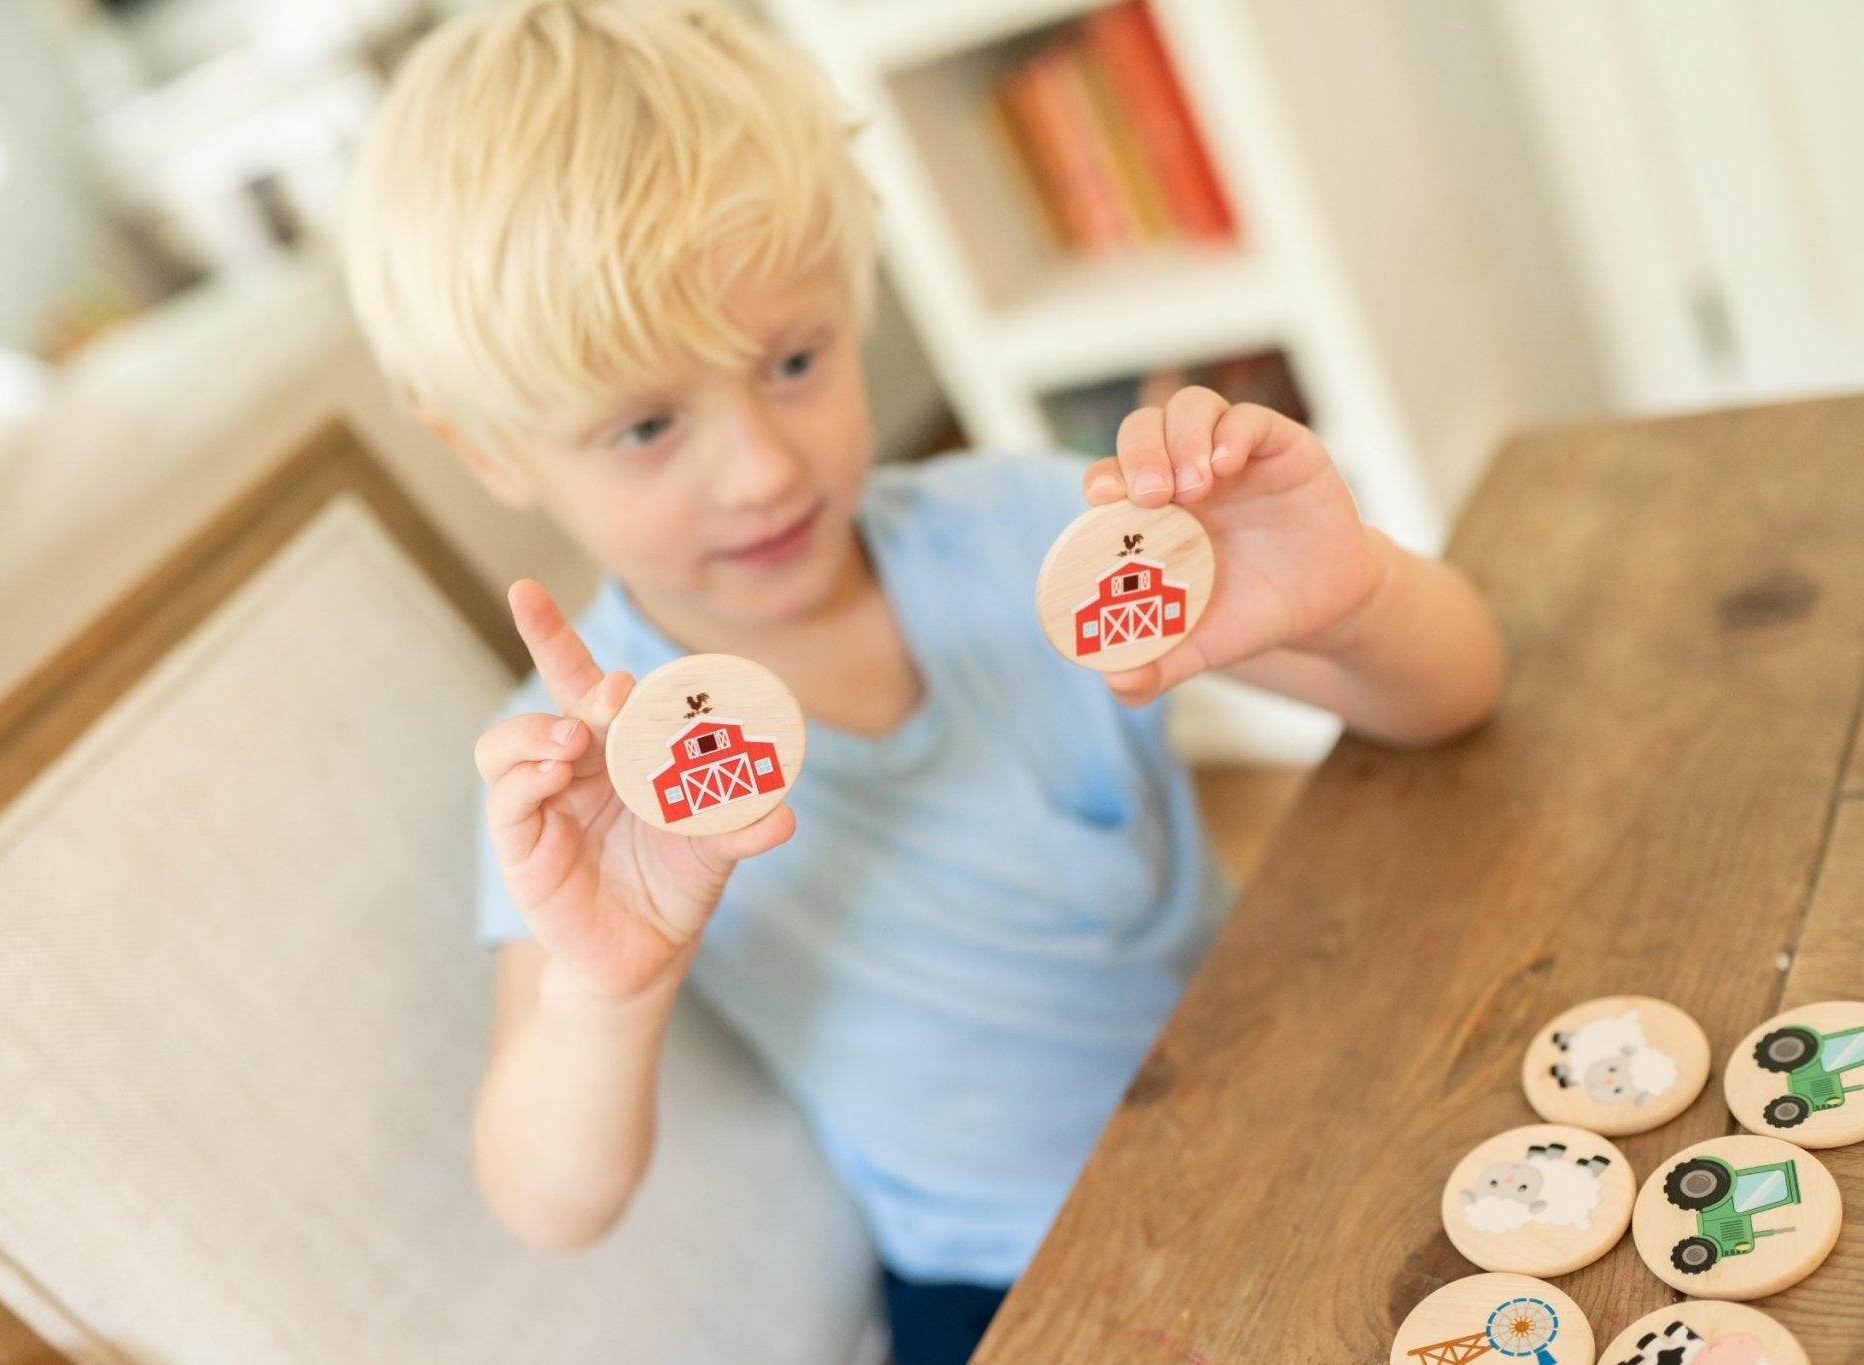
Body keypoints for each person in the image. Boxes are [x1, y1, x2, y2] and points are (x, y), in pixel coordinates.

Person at [342, 2, 1504, 1360]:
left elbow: (1455, 694)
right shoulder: (577, 779)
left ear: (853, 301)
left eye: (793, 361)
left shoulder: (1033, 530)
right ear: (489, 451)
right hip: (1008, 1283)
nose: (764, 468)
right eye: (649, 424)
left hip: (1298, 1106)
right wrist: (605, 990)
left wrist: (1354, 591)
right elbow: (550, 1195)